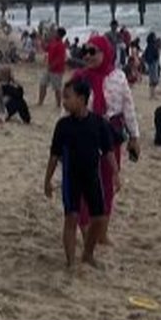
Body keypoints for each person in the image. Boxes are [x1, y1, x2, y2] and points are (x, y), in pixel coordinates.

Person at [72, 35, 141, 242]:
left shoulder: (118, 77)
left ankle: (102, 231)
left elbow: (128, 107)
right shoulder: (79, 78)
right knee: (85, 185)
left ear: (105, 52)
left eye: (94, 51)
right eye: (86, 51)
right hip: (85, 135)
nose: (89, 55)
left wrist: (134, 136)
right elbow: (68, 110)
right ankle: (85, 229)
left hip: (111, 137)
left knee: (107, 184)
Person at [45, 79, 119, 269]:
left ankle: (87, 254)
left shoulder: (98, 123)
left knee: (99, 218)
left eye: (68, 97)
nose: (64, 101)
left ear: (82, 98)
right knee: (71, 218)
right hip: (71, 179)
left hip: (92, 177)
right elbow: (54, 155)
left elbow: (108, 150)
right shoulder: (63, 125)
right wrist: (48, 180)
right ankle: (70, 262)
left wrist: (115, 174)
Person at [40, 27, 68, 108]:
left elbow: (60, 59)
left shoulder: (61, 45)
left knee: (57, 88)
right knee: (42, 83)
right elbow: (46, 49)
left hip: (57, 70)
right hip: (49, 68)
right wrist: (42, 42)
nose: (54, 33)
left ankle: (58, 105)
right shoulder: (53, 42)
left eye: (56, 32)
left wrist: (52, 66)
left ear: (59, 34)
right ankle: (40, 101)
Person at [144, 32, 161, 99]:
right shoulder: (152, 46)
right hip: (153, 63)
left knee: (152, 80)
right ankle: (152, 95)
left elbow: (146, 55)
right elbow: (156, 55)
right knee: (154, 80)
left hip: (151, 63)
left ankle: (152, 94)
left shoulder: (148, 46)